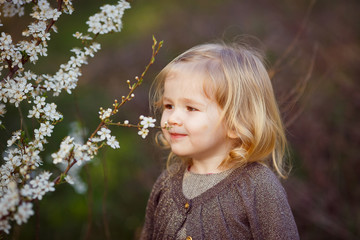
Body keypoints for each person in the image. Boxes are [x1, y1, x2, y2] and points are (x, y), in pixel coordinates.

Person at [140, 41, 299, 240]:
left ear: (236, 123)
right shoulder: (166, 183)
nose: (172, 118)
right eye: (169, 105)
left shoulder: (257, 186)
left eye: (191, 108)